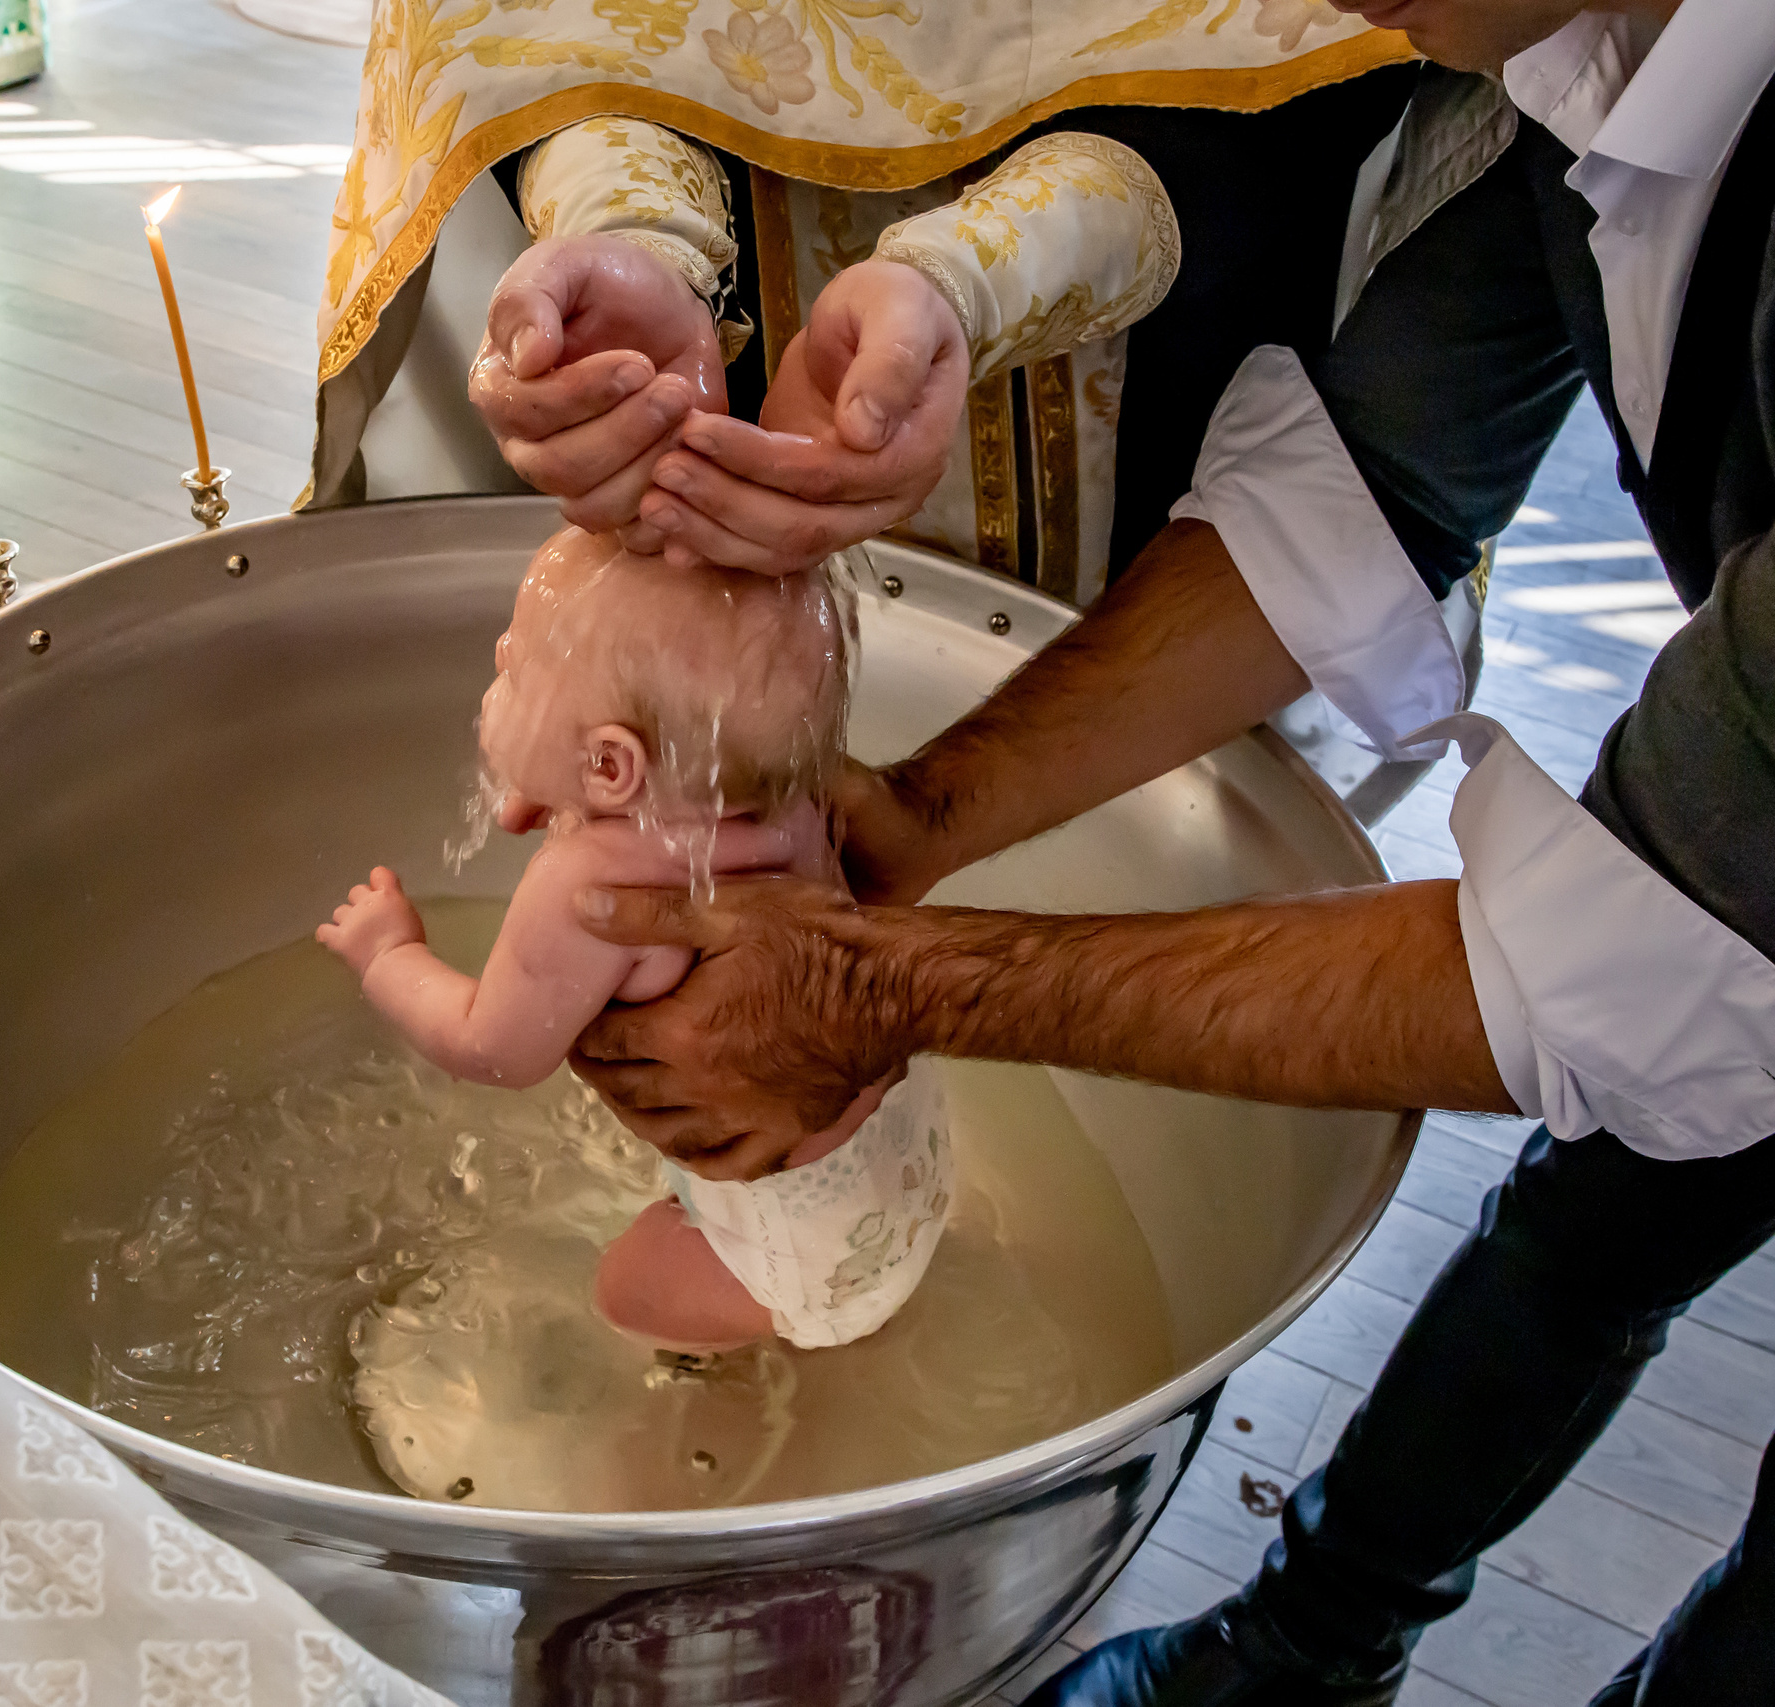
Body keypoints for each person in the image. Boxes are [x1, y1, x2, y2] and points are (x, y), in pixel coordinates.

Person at [561, 0, 1775, 1700]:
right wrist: (923, 815)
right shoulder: (1597, 68)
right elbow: (1374, 481)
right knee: (1603, 1222)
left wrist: (878, 981)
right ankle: (1300, 1652)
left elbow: (1659, 958)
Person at [309, 0, 1415, 606]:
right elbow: (544, 27)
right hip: (681, 425)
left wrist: (974, 276)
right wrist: (632, 229)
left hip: (1153, 403)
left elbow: (1291, 46)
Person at [315, 526, 951, 1351]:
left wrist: (389, 954)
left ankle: (701, 1411)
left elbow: (494, 1049)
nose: (499, 660)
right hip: (900, 1155)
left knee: (626, 1290)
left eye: (512, 670)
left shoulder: (586, 888)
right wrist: (563, 789)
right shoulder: (786, 803)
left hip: (789, 1245)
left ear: (611, 768)